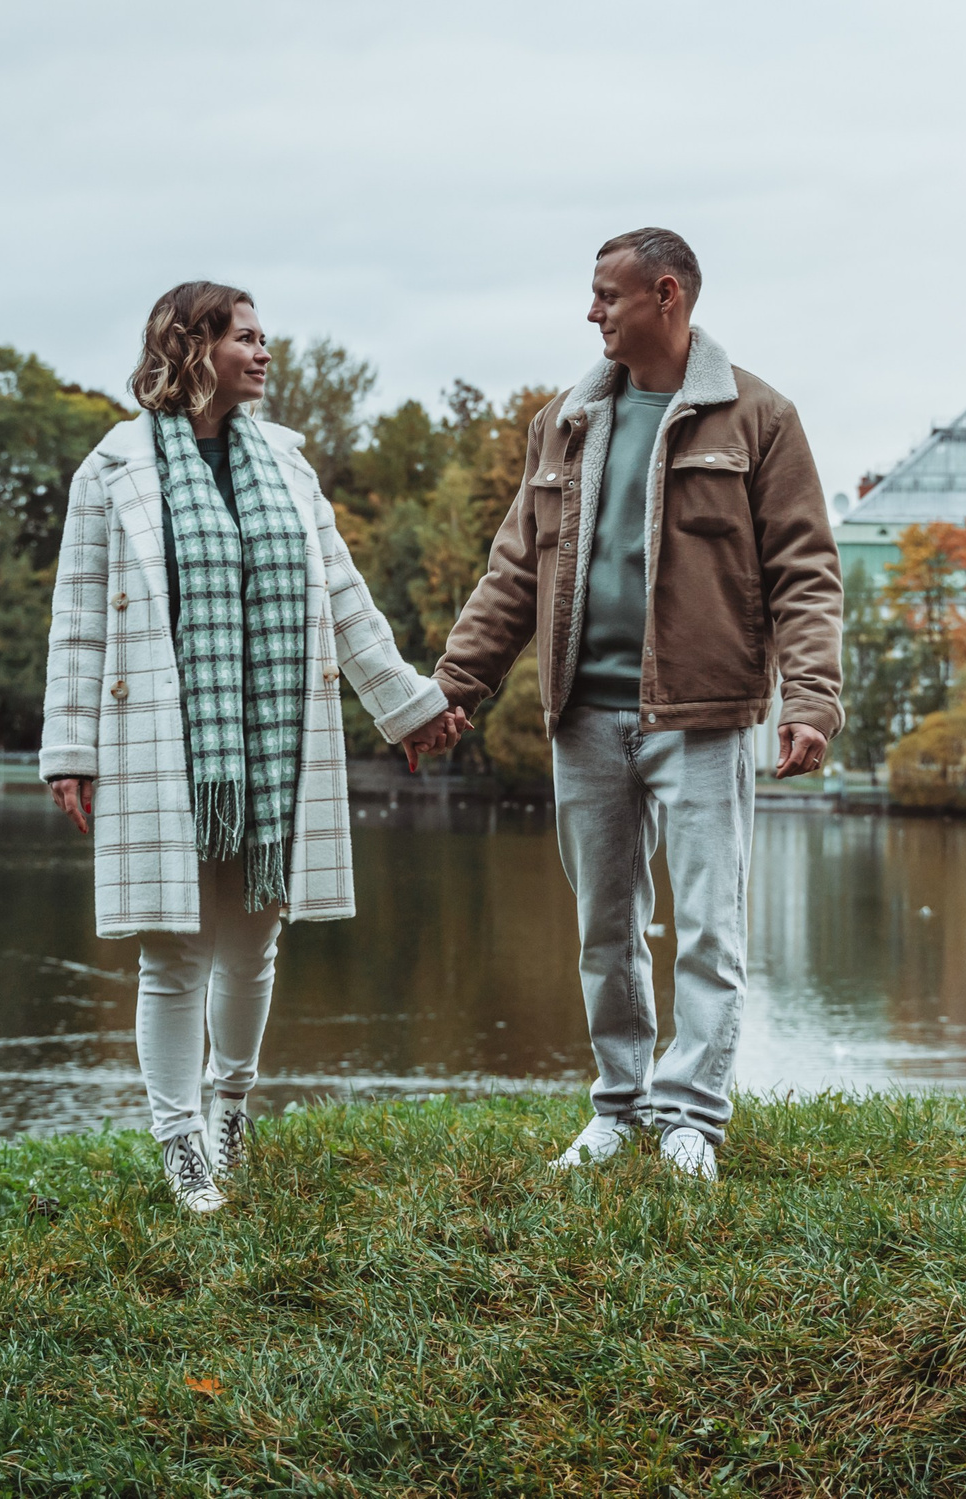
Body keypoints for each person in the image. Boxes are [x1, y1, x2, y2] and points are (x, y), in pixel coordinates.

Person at [41, 281, 465, 1215]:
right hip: (162, 738)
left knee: (252, 945)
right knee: (174, 954)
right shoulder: (111, 470)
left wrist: (410, 707)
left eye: (264, 338)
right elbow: (76, 621)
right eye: (245, 338)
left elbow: (345, 602)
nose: (264, 354)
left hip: (273, 741)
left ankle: (231, 1109)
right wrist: (70, 749)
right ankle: (179, 1140)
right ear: (193, 348)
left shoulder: (287, 466)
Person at [432, 228, 842, 1184]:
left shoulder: (757, 417)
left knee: (708, 924)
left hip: (704, 714)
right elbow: (513, 570)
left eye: (606, 295)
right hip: (585, 714)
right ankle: (617, 1106)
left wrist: (812, 698)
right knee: (604, 927)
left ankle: (692, 1114)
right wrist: (457, 686)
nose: (591, 313)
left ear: (667, 295)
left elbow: (807, 573)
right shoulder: (564, 421)